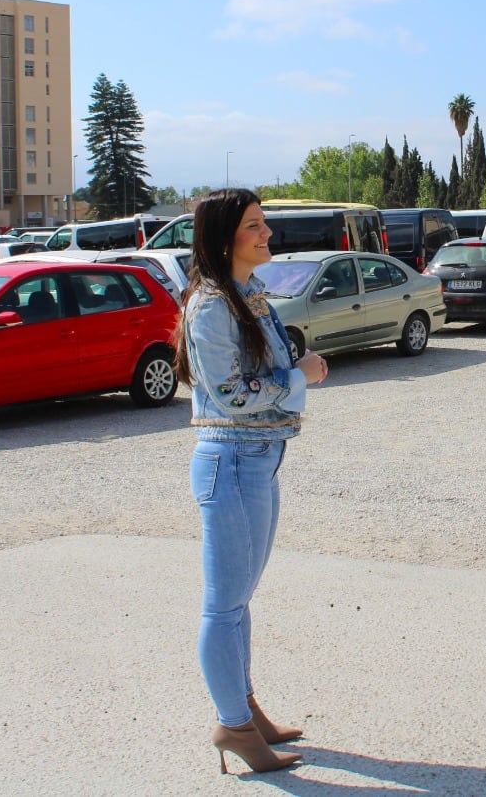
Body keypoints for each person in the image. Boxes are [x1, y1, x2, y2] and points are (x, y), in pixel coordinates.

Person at [175, 188, 329, 774]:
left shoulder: (249, 294)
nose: (267, 235)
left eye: (264, 224)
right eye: (253, 226)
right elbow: (232, 394)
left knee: (239, 601)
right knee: (223, 605)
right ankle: (233, 726)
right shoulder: (212, 304)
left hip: (258, 458)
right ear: (223, 238)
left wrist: (295, 369)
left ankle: (245, 710)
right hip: (232, 460)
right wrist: (299, 377)